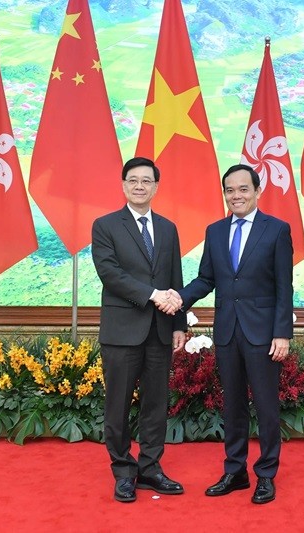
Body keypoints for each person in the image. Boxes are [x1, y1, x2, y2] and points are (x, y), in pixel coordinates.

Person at [165, 163, 293, 504]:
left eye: (242, 189)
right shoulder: (216, 231)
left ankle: (265, 474)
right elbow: (207, 279)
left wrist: (282, 333)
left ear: (257, 191)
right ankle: (235, 471)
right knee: (232, 406)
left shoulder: (277, 230)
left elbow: (284, 286)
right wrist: (179, 298)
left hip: (264, 335)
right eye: (229, 190)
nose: (236, 196)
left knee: (266, 406)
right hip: (227, 332)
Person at [91, 156, 187, 503]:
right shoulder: (105, 226)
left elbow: (174, 279)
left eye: (147, 181)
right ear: (123, 185)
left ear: (156, 187)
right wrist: (152, 295)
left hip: (160, 331)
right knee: (117, 404)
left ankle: (150, 468)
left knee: (155, 403)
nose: (139, 186)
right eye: (133, 180)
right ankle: (123, 471)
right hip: (121, 331)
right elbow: (110, 274)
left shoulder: (168, 228)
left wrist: (179, 323)